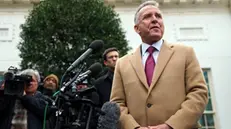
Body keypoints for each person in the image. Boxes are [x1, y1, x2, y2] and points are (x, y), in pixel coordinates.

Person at [110, 1, 208, 129]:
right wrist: (134, 127)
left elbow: (198, 93)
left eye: (158, 16)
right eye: (147, 17)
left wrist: (170, 126)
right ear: (137, 28)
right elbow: (117, 103)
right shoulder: (122, 63)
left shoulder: (186, 53)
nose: (155, 20)